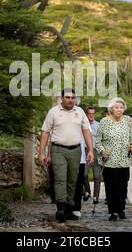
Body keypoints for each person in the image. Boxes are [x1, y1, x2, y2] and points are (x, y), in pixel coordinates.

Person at [39, 88, 94, 223]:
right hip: (58, 150)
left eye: (73, 98)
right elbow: (45, 132)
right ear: (62, 98)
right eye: (68, 97)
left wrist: (91, 151)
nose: (71, 100)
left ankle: (69, 209)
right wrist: (41, 153)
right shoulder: (54, 112)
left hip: (76, 150)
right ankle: (60, 208)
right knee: (60, 179)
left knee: (72, 180)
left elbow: (86, 131)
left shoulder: (79, 111)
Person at [96, 97, 132, 221]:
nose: (119, 109)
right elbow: (98, 141)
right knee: (111, 187)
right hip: (109, 160)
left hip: (124, 159)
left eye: (121, 107)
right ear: (111, 109)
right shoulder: (104, 121)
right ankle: (113, 212)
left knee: (123, 186)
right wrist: (102, 151)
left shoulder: (128, 120)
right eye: (116, 107)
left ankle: (121, 209)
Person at [83, 107, 100, 204]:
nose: (91, 115)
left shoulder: (99, 125)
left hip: (96, 151)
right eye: (89, 113)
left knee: (97, 176)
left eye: (93, 113)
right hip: (85, 151)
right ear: (86, 114)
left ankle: (96, 197)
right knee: (84, 174)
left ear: (95, 114)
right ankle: (87, 192)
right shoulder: (82, 125)